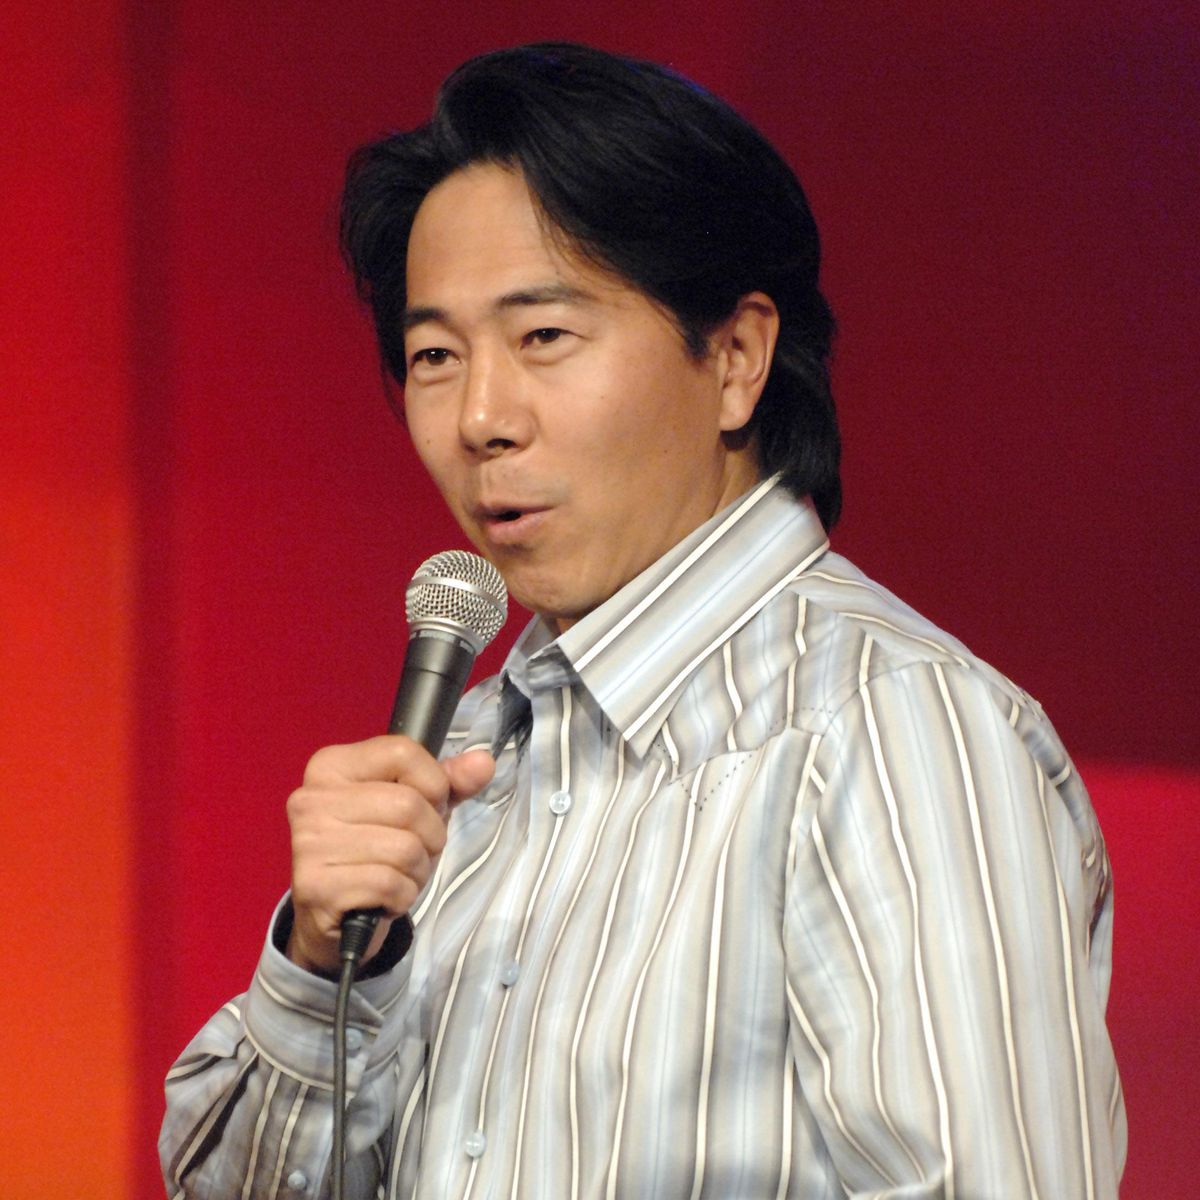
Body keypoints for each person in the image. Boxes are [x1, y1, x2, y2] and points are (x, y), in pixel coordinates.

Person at [160, 42, 1125, 1198]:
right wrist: (321, 961)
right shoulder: (463, 759)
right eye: (434, 355)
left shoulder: (889, 727)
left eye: (544, 337)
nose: (480, 417)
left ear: (736, 358)